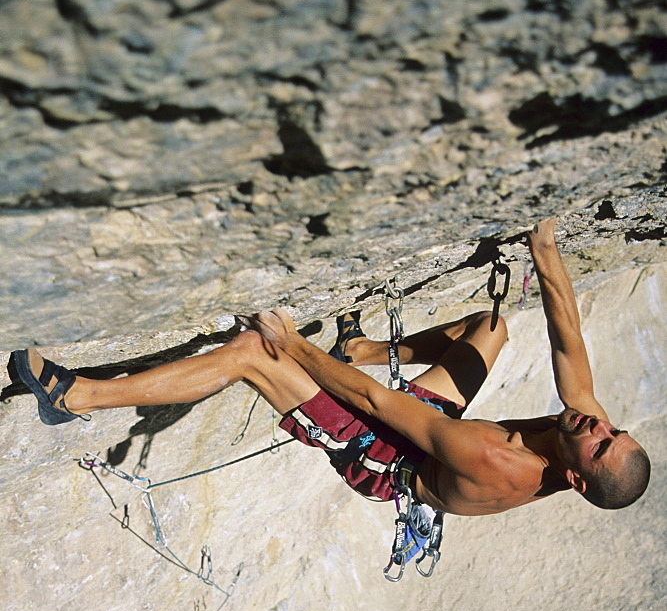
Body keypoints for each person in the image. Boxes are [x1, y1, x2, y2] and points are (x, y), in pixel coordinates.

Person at [9, 219, 649, 516]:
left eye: (600, 445)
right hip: (431, 432)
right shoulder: (581, 428)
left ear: (575, 477)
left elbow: (374, 407)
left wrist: (292, 345)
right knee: (489, 328)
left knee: (251, 356)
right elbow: (566, 332)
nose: (600, 428)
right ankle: (362, 345)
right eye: (613, 432)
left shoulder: (499, 463)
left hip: (386, 456)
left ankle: (77, 398)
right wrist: (544, 239)